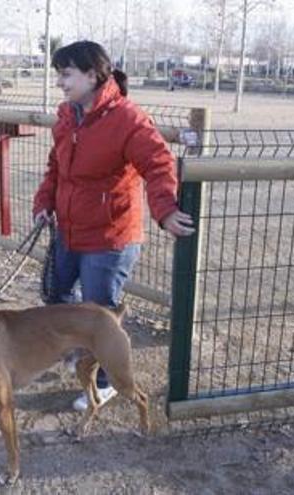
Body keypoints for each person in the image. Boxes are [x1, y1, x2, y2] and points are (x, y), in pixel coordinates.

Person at [32, 41, 194, 412]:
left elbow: (158, 164)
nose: (60, 82)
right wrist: (44, 203)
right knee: (56, 296)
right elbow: (56, 168)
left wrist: (166, 210)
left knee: (100, 312)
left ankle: (104, 381)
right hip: (69, 230)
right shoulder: (67, 115)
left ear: (92, 75)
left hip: (109, 238)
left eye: (66, 74)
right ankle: (80, 352)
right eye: (58, 74)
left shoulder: (128, 119)